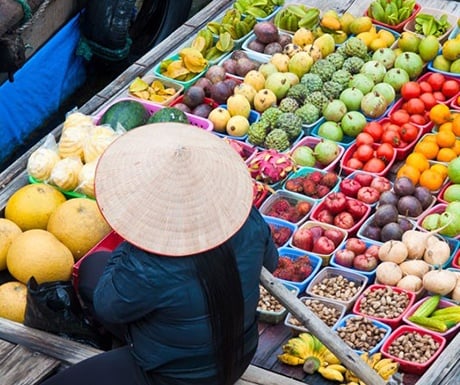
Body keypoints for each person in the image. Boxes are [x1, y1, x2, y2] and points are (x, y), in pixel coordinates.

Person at [40, 122, 279, 385]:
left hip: (174, 377)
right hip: (240, 352)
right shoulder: (246, 218)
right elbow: (270, 261)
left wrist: (134, 242)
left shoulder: (148, 262)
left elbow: (109, 308)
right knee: (92, 268)